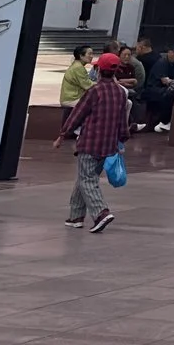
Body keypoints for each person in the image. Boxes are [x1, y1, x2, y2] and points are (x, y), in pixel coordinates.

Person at [59, 50, 131, 232]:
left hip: (90, 142)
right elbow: (123, 120)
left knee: (87, 180)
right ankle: (75, 216)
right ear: (115, 71)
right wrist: (122, 139)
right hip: (108, 145)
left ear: (99, 70)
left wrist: (63, 134)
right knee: (85, 177)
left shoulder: (94, 91)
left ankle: (101, 212)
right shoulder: (121, 93)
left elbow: (77, 114)